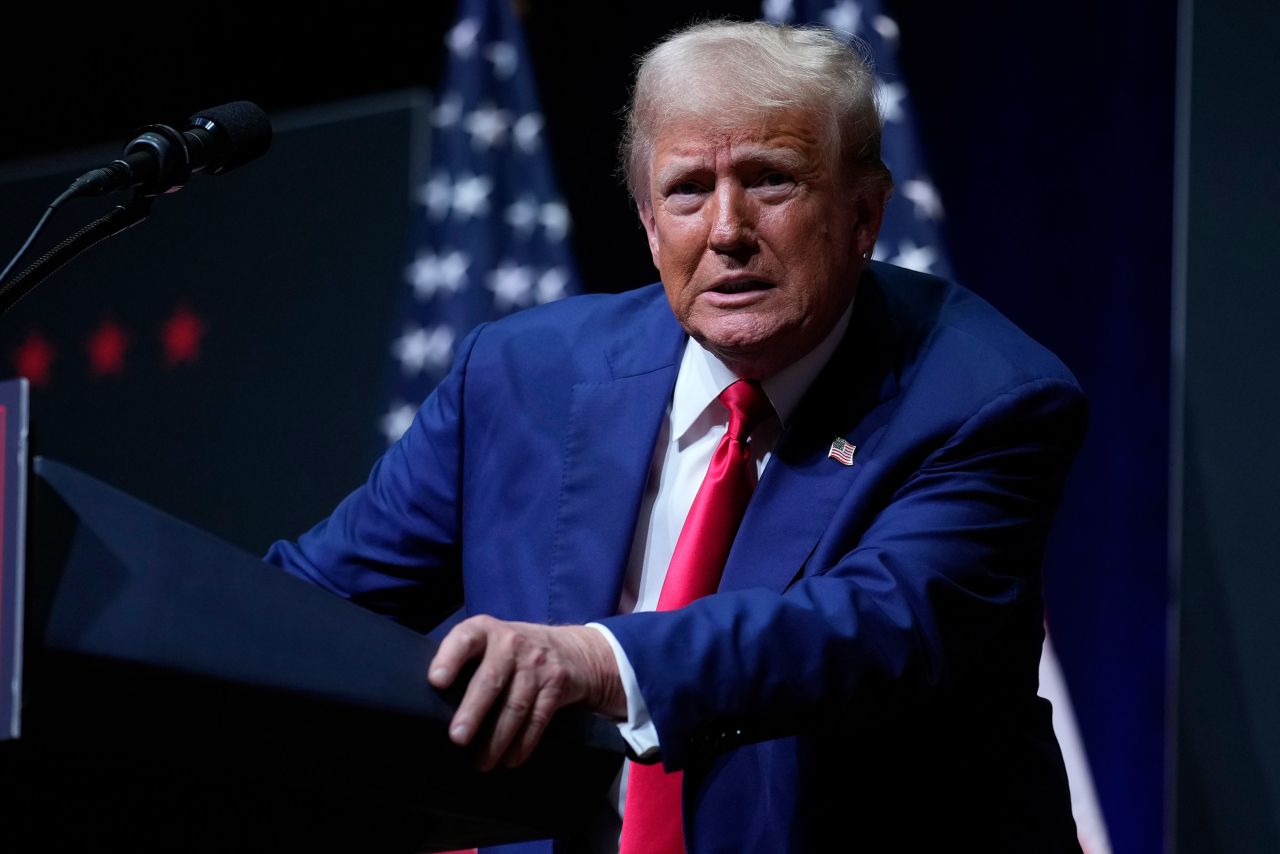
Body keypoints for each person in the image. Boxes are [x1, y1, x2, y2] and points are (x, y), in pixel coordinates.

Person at [267, 20, 1085, 853]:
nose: (726, 230)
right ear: (651, 224)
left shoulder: (986, 397)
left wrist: (599, 662)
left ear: (864, 213)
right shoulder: (520, 376)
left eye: (771, 181)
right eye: (688, 190)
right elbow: (308, 603)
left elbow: (871, 631)